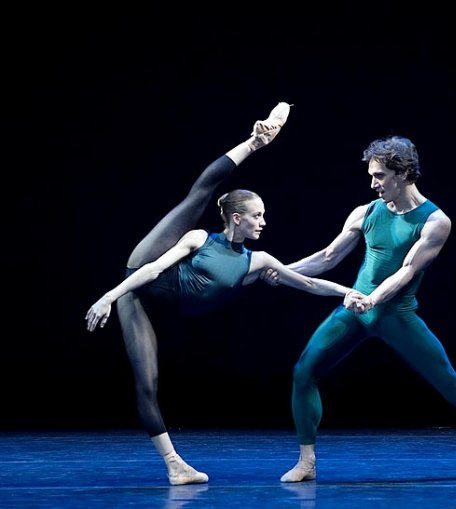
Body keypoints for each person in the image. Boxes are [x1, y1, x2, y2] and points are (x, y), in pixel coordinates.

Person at [85, 102, 365, 486]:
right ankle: (255, 142)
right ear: (237, 218)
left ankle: (176, 468)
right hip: (141, 276)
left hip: (159, 302)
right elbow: (151, 270)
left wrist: (349, 292)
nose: (264, 222)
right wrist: (109, 296)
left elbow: (309, 283)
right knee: (197, 197)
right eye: (257, 215)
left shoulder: (258, 261)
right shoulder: (199, 238)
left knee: (151, 380)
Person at [262, 135, 456, 482]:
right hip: (357, 310)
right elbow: (327, 257)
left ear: (402, 174)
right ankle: (306, 463)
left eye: (380, 176)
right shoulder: (365, 212)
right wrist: (281, 272)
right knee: (303, 372)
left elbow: (406, 272)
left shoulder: (435, 221)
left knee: (455, 388)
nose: (373, 183)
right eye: (372, 175)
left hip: (395, 314)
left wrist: (373, 299)